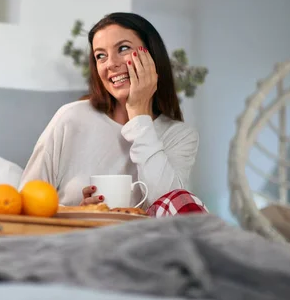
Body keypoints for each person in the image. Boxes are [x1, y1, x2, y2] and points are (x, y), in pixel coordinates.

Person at [19, 13, 207, 217]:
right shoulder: (71, 117)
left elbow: (172, 209)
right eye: (101, 56)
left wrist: (138, 115)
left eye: (123, 48)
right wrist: (79, 213)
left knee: (183, 200)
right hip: (77, 241)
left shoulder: (180, 135)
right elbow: (27, 202)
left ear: (152, 56)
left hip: (146, 245)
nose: (110, 64)